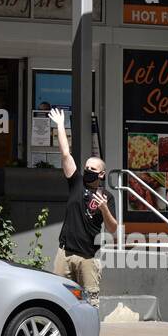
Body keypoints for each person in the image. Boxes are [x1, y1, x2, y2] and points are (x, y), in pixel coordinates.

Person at [48, 107, 117, 307]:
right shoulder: (76, 182)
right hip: (65, 254)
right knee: (57, 300)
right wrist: (61, 125)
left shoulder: (107, 196)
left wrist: (104, 209)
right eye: (86, 168)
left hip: (88, 258)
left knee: (89, 304)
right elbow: (65, 154)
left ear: (102, 174)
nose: (88, 171)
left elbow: (114, 231)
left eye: (93, 170)